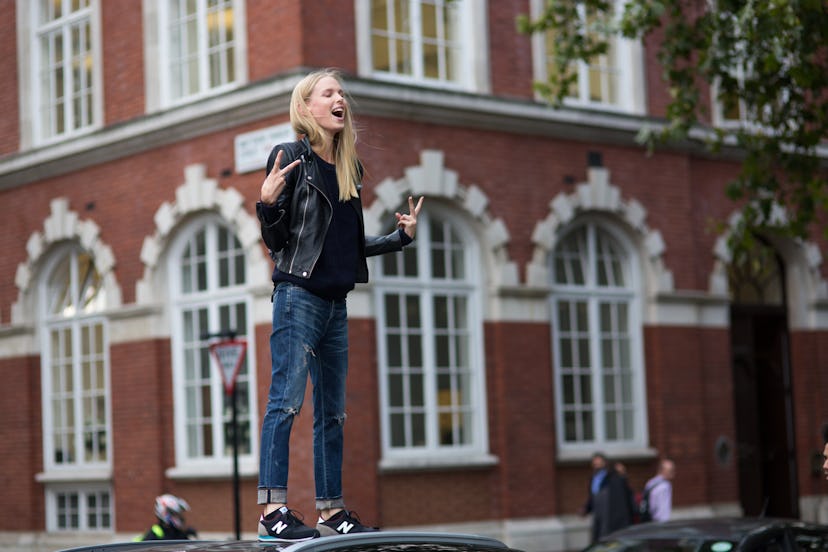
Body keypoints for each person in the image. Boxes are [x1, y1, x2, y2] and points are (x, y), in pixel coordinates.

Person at [255, 68, 424, 542]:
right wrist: (267, 206)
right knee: (285, 403)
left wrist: (399, 238)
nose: (339, 99)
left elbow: (346, 245)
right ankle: (272, 510)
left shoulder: (350, 168)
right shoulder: (290, 158)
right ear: (306, 106)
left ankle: (331, 511)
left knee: (332, 412)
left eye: (341, 93)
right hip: (297, 296)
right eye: (328, 93)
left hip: (335, 304)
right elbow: (279, 242)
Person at [582, 452, 635, 543]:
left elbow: (624, 497)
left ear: (605, 463)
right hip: (598, 515)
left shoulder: (612, 478)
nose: (597, 465)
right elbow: (593, 497)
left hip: (610, 516)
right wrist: (586, 509)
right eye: (595, 463)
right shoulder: (593, 479)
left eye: (599, 463)